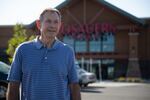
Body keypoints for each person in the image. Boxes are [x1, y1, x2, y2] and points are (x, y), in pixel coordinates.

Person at [6, 8, 81, 100]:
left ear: (60, 25)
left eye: (56, 22)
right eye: (48, 21)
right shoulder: (22, 50)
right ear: (39, 24)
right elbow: (13, 85)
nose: (52, 26)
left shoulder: (67, 51)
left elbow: (74, 86)